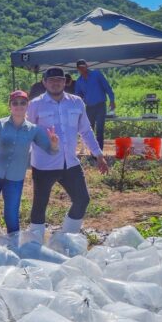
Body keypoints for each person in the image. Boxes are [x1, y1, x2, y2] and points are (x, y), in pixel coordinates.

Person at [27, 67, 109, 242]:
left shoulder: (76, 102)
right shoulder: (35, 105)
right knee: (40, 205)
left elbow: (86, 131)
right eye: (51, 80)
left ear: (65, 82)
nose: (55, 83)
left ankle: (66, 239)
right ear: (44, 83)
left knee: (82, 200)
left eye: (59, 79)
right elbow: (27, 133)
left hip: (70, 163)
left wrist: (98, 154)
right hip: (44, 165)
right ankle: (34, 245)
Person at [0, 91, 59, 247]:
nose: (19, 106)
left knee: (11, 215)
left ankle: (14, 248)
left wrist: (54, 143)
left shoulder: (33, 130)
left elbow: (50, 150)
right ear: (10, 106)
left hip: (15, 179)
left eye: (23, 103)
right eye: (15, 103)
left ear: (27, 106)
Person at [74, 59, 115, 149]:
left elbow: (107, 87)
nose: (82, 69)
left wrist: (112, 100)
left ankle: (99, 152)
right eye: (80, 68)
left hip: (100, 106)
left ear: (87, 66)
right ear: (77, 69)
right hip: (89, 107)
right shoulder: (79, 81)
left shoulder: (96, 74)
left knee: (100, 130)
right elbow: (78, 96)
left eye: (83, 67)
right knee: (89, 130)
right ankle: (93, 151)